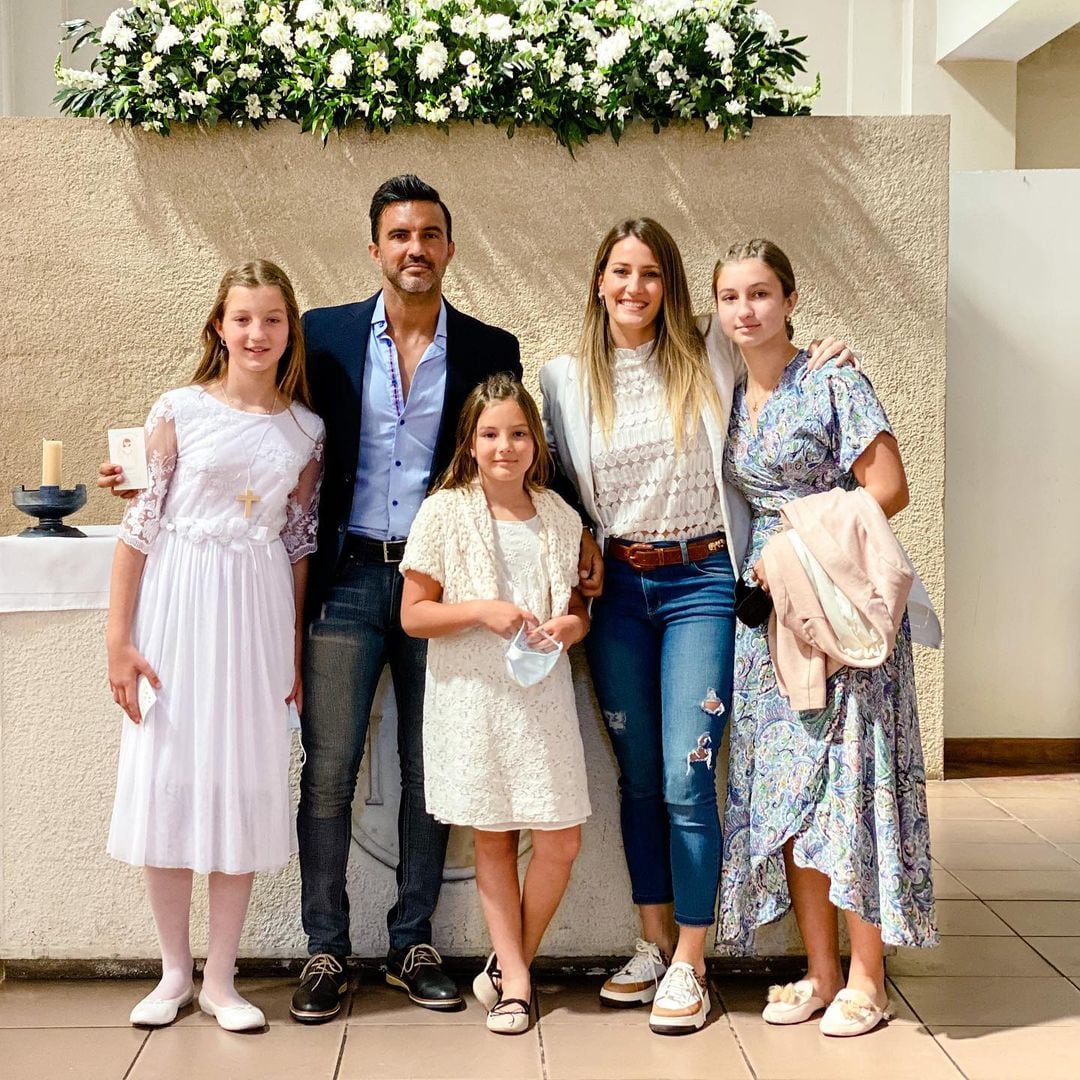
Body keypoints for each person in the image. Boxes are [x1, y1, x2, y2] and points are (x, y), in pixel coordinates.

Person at [98, 175, 603, 1022]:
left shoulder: (490, 345)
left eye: (430, 234)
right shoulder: (323, 336)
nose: (415, 248)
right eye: (399, 235)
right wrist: (141, 473)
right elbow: (244, 429)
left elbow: (523, 449)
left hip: (442, 583)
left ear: (448, 246)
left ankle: (412, 941)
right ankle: (325, 946)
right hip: (341, 580)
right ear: (375, 248)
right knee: (327, 771)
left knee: (426, 768)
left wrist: (580, 533)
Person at [540, 218, 855, 1036]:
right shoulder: (566, 380)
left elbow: (769, 346)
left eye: (650, 273)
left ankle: (690, 959)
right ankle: (650, 945)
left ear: (670, 285)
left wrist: (830, 352)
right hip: (619, 596)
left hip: (703, 583)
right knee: (639, 777)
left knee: (688, 776)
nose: (634, 288)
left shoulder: (708, 353)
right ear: (599, 282)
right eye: (620, 272)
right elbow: (567, 492)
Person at [713, 239, 936, 1037]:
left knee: (851, 790)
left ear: (791, 299)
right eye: (732, 296)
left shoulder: (834, 378)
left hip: (838, 614)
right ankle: (819, 971)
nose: (747, 309)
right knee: (792, 798)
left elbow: (887, 486)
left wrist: (795, 550)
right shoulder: (732, 395)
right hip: (770, 626)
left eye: (762, 293)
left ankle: (869, 980)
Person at [105, 260, 324, 1033]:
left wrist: (292, 649)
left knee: (241, 782)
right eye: (243, 319)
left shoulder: (306, 431)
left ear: (288, 329)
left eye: (271, 319)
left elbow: (299, 543)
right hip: (178, 603)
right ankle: (172, 973)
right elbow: (139, 527)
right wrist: (118, 642)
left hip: (256, 611)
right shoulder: (178, 410)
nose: (257, 333)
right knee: (172, 777)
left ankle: (223, 980)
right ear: (219, 327)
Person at [399, 374, 591, 1034]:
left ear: (536, 442)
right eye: (490, 434)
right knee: (494, 837)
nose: (505, 446)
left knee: (560, 840)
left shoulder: (561, 518)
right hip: (475, 698)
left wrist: (571, 626)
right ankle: (517, 986)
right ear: (470, 443)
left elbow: (576, 613)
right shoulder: (445, 512)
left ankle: (510, 964)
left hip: (540, 698)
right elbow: (414, 615)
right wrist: (482, 610)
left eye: (518, 433)